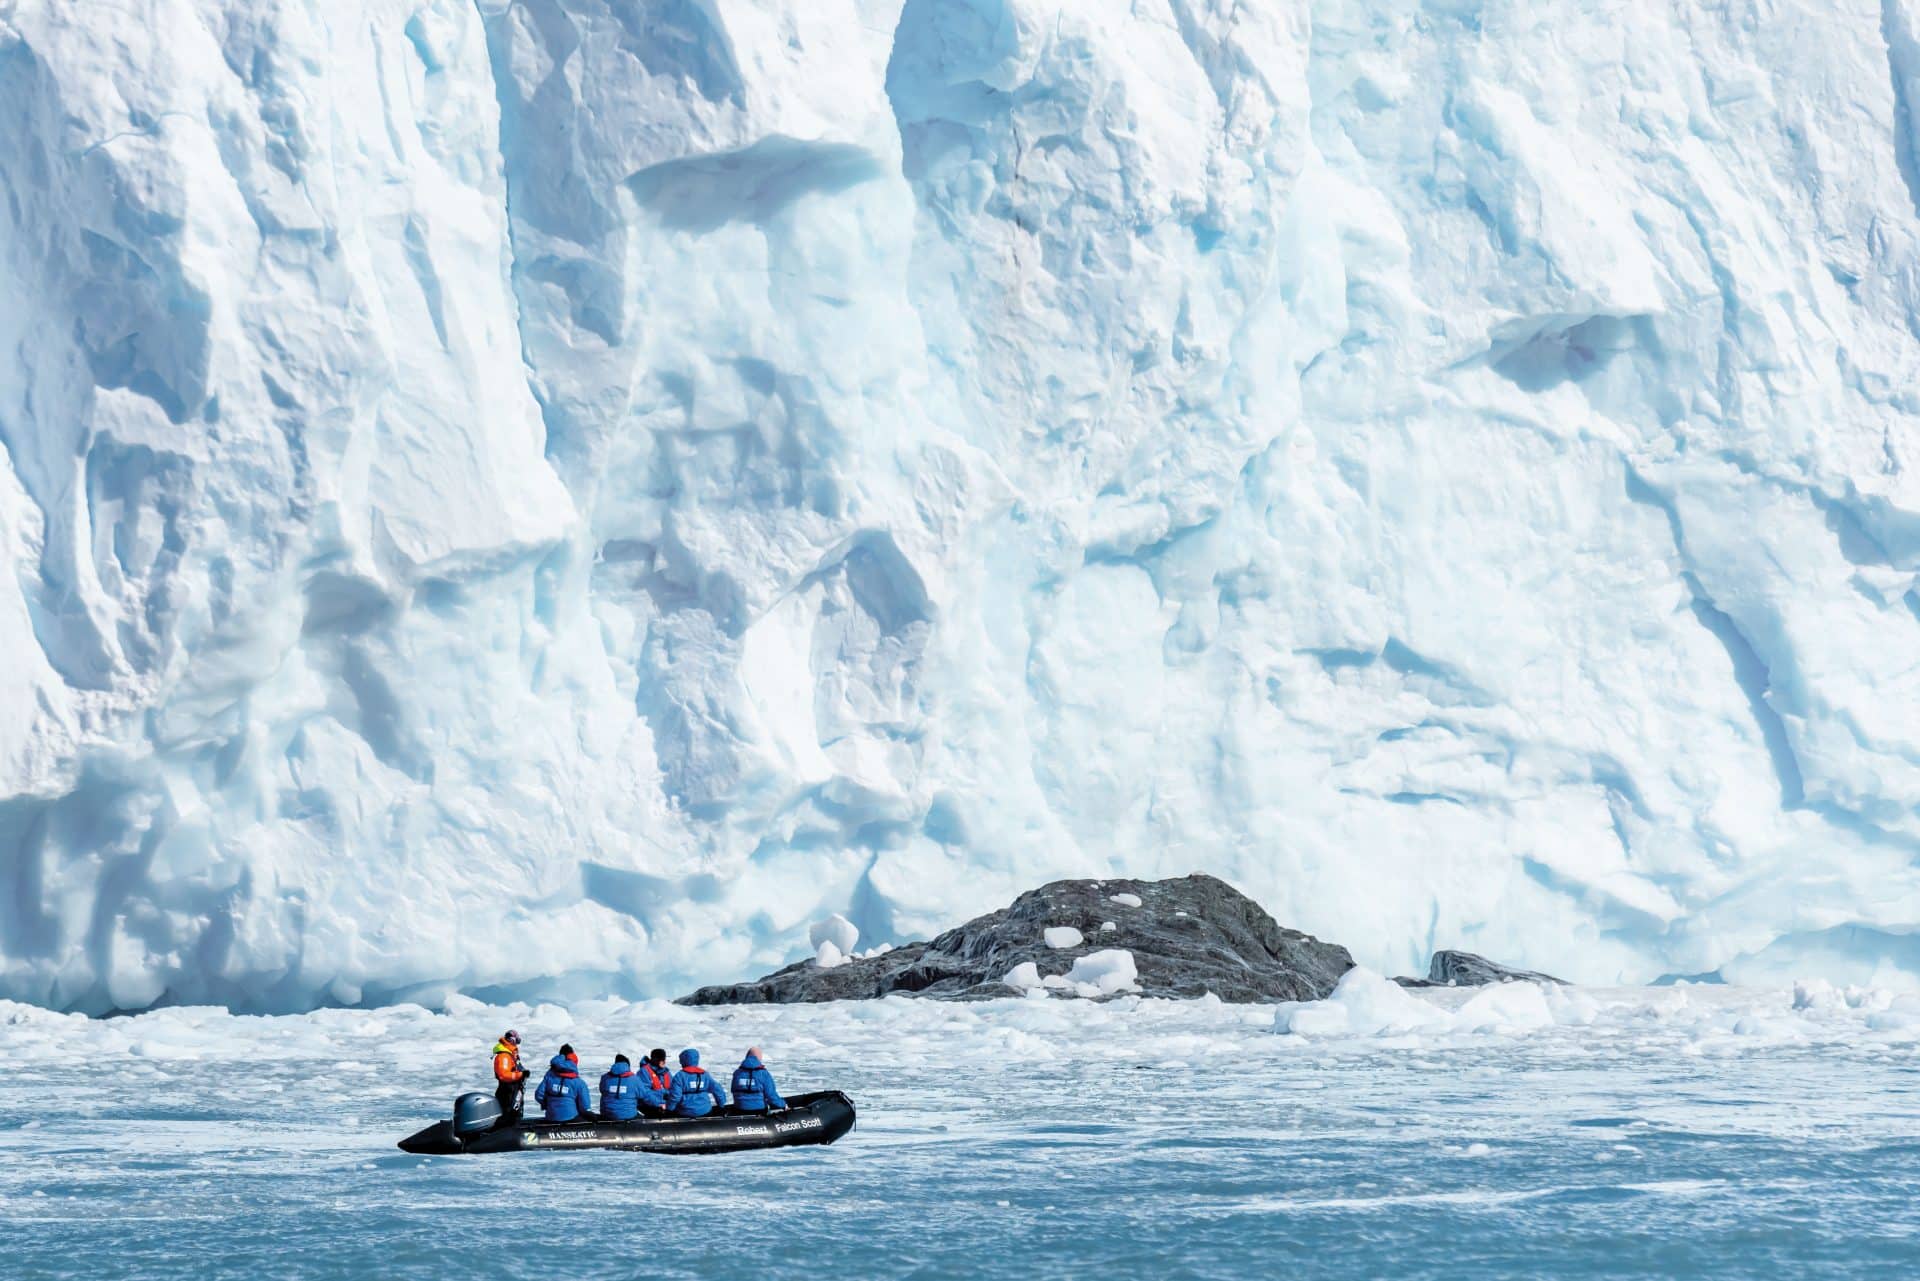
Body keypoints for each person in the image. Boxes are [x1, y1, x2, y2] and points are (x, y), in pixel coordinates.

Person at [534, 1048, 595, 1124]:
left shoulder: (549, 1077)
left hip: (551, 1117)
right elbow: (585, 1106)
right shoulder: (578, 1082)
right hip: (571, 1117)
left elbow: (539, 1095)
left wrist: (547, 1105)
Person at [664, 1048, 728, 1117]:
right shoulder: (705, 1075)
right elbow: (718, 1090)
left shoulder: (679, 1076)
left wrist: (669, 1110)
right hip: (705, 1110)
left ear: (682, 1061)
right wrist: (721, 1106)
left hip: (685, 1112)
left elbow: (675, 1096)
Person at [730, 1046, 787, 1113]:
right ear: (759, 1058)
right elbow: (771, 1095)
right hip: (759, 1110)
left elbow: (733, 1090)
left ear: (747, 1057)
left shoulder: (737, 1073)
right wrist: (783, 1105)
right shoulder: (763, 1073)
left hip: (739, 1109)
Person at [598, 1054, 654, 1121]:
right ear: (627, 1065)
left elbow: (602, 1090)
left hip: (607, 1115)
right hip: (628, 1116)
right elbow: (643, 1095)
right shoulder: (635, 1079)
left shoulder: (605, 1078)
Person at [491, 1030, 528, 1120]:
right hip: (507, 1091)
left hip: (513, 1090)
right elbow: (503, 1075)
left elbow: (516, 1068)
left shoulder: (512, 1054)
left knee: (515, 1114)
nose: (516, 1044)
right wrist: (520, 1075)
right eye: (516, 1041)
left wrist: (523, 1073)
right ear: (511, 1040)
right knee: (508, 1115)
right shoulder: (504, 1056)